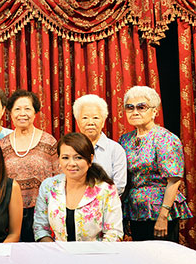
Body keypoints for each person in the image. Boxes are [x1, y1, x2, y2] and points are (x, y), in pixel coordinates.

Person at [118, 85, 192, 242]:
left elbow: (174, 180)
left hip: (160, 210)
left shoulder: (165, 139)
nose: (135, 112)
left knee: (162, 255)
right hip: (135, 210)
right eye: (130, 107)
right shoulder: (125, 140)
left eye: (141, 107)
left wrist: (163, 216)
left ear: (154, 111)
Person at [33, 132, 124, 242]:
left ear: (90, 159)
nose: (71, 163)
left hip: (96, 251)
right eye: (65, 158)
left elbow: (114, 233)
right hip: (57, 251)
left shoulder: (106, 190)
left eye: (78, 157)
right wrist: (54, 250)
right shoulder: (48, 186)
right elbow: (40, 228)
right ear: (59, 159)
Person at [0, 89, 60, 242]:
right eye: (17, 109)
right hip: (10, 212)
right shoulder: (2, 144)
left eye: (27, 108)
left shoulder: (49, 141)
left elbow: (59, 177)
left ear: (35, 112)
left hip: (43, 211)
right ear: (10, 113)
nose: (22, 113)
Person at [72, 93, 127, 195]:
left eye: (96, 118)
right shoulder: (70, 148)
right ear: (77, 121)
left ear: (103, 121)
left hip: (106, 202)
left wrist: (93, 199)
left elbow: (119, 186)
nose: (90, 122)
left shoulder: (115, 149)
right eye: (85, 118)